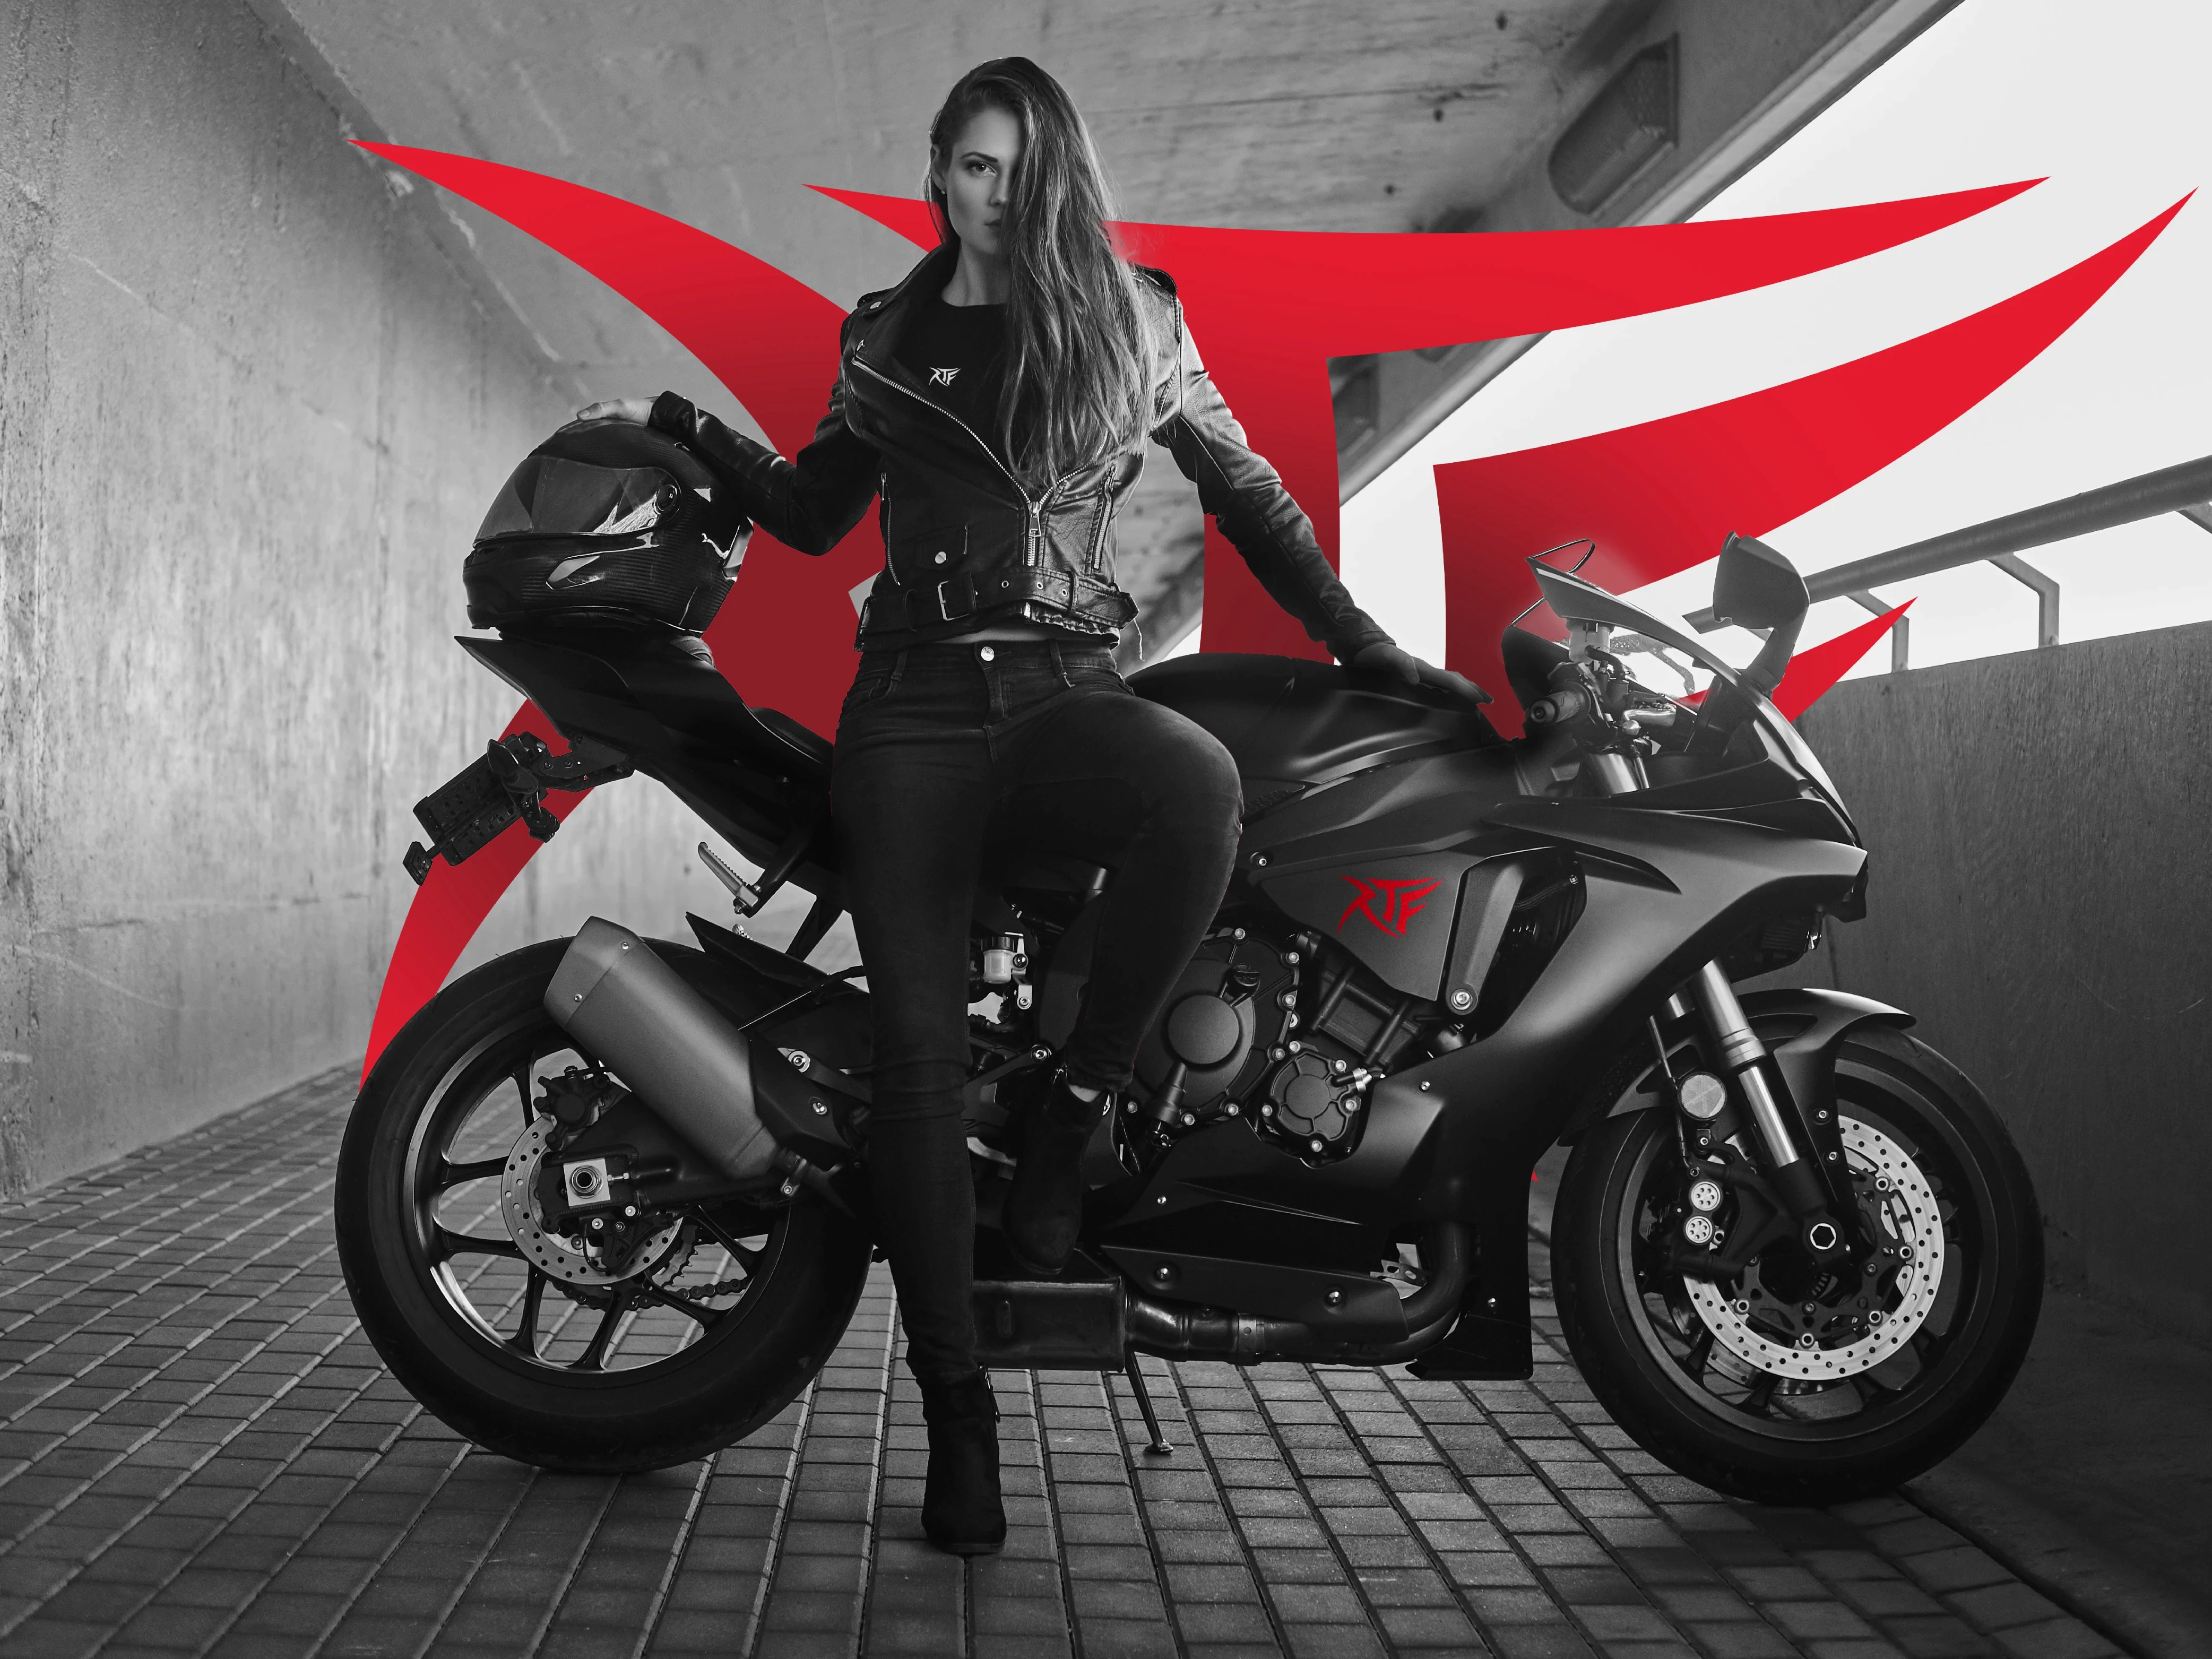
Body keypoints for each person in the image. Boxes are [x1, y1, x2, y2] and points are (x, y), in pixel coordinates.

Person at [577, 56, 1483, 1557]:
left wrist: (1370, 646)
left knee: (1196, 785)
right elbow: (811, 516)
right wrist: (689, 427)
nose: (988, 193)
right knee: (921, 1069)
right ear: (937, 171)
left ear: (1056, 172)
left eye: (1013, 168)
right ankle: (960, 1424)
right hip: (912, 715)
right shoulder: (885, 337)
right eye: (967, 167)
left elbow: (1249, 491)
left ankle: (1074, 1109)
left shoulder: (1133, 319)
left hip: (1066, 694)